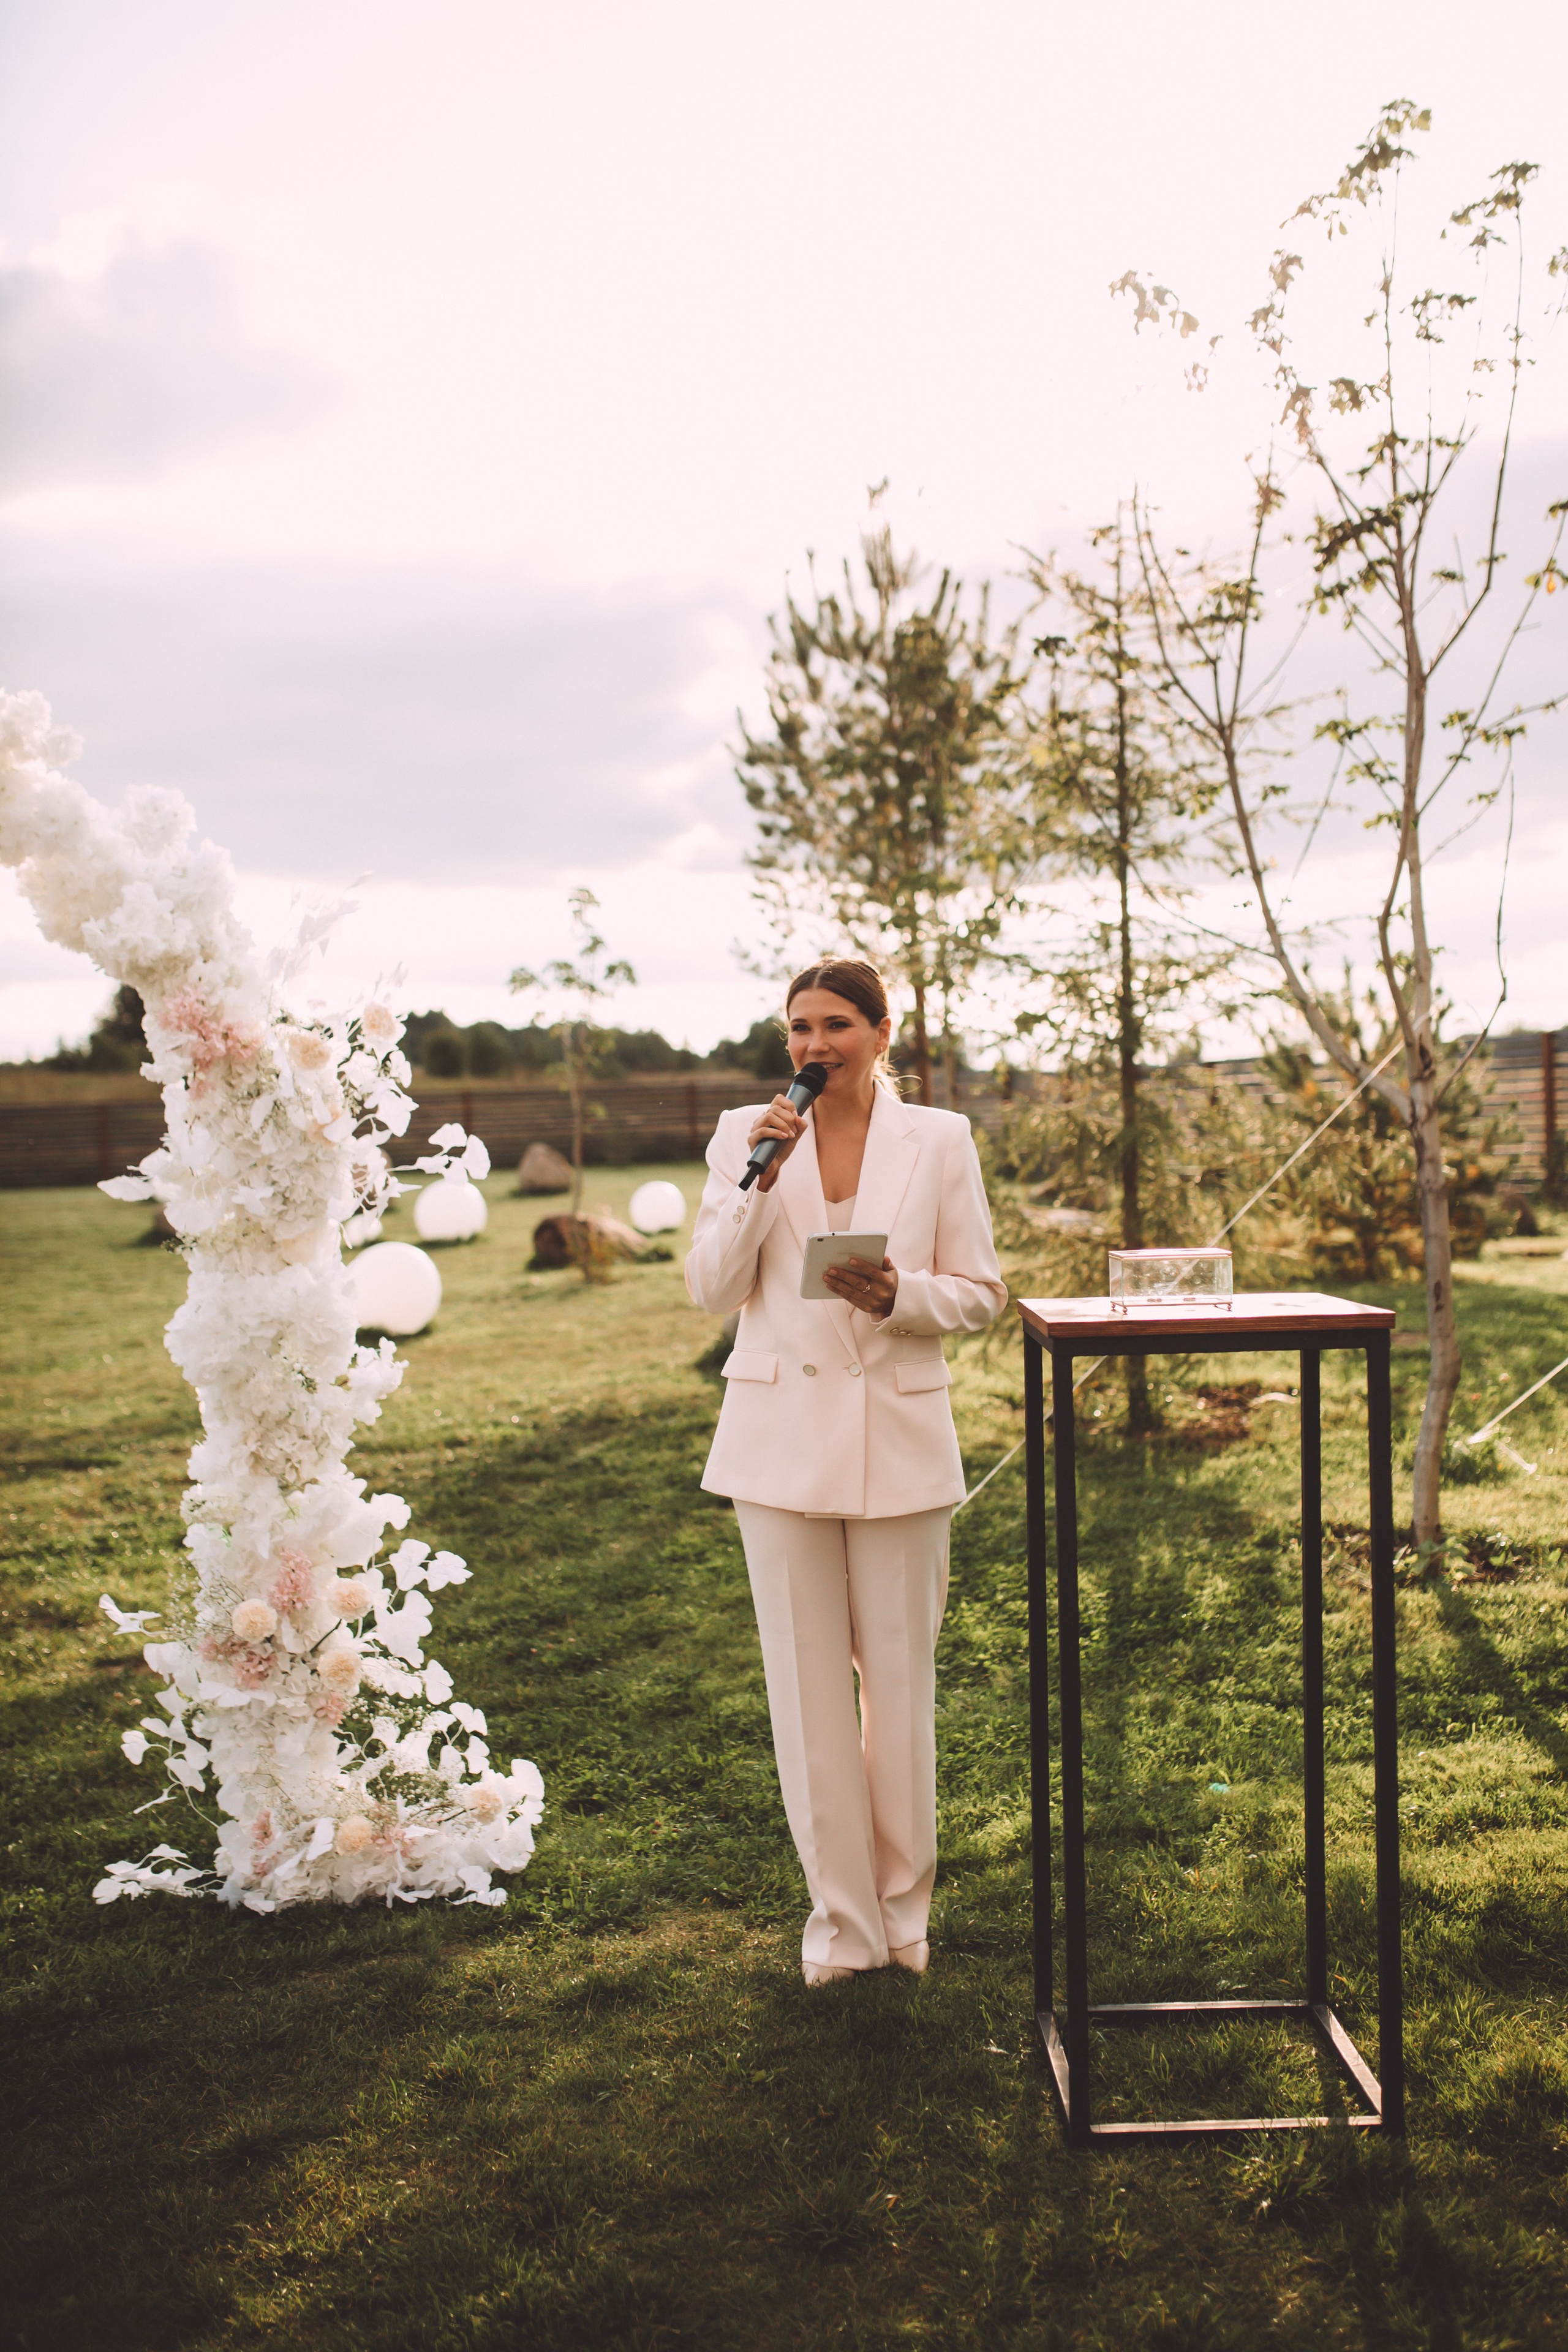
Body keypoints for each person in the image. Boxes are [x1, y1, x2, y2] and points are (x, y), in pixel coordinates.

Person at [685, 958, 1006, 1986]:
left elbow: (983, 1292)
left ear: (879, 1031)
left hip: (901, 1449)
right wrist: (758, 1184)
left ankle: (905, 1919)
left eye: (834, 1026)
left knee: (900, 1692)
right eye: (797, 1030)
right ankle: (843, 1927)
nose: (813, 1046)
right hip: (775, 1450)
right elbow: (709, 1288)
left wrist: (900, 1296)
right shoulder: (747, 1132)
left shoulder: (941, 1139)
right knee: (807, 1698)